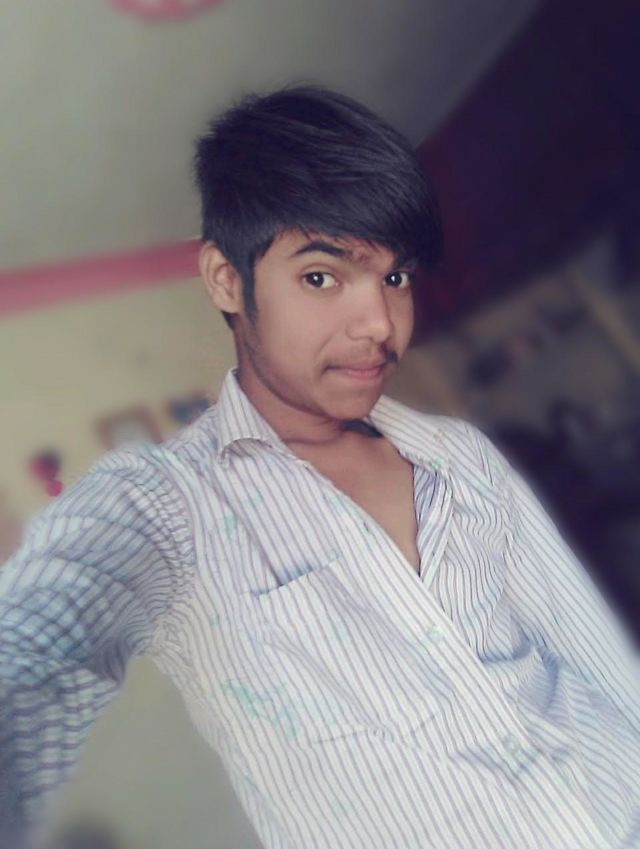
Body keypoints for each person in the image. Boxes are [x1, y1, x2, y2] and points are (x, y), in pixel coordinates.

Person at [1, 84, 639, 849]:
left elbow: (593, 651)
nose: (380, 323)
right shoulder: (165, 505)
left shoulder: (461, 455)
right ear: (227, 280)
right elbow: (30, 656)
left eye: (396, 277)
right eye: (321, 276)